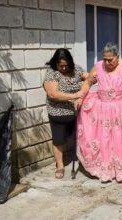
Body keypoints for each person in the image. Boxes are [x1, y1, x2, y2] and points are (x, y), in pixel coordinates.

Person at [76, 42, 122, 182]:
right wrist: (81, 96)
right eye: (104, 58)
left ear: (118, 57)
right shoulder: (99, 66)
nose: (107, 62)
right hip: (103, 109)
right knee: (106, 139)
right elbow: (88, 83)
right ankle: (107, 168)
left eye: (110, 59)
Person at [43, 48, 87, 179]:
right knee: (59, 140)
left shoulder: (77, 70)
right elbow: (52, 94)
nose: (63, 68)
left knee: (78, 138)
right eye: (60, 65)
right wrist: (75, 95)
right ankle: (60, 165)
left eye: (66, 65)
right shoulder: (51, 73)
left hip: (76, 113)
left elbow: (90, 78)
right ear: (55, 63)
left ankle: (83, 161)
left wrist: (81, 96)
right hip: (58, 114)